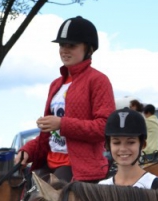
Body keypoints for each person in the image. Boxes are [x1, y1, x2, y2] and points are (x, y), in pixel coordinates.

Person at [14, 16, 114, 183]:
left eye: (72, 45)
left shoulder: (98, 80)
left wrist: (62, 124)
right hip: (49, 163)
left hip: (78, 168)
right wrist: (27, 151)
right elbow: (51, 136)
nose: (64, 50)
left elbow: (104, 127)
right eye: (62, 45)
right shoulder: (56, 84)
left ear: (89, 49)